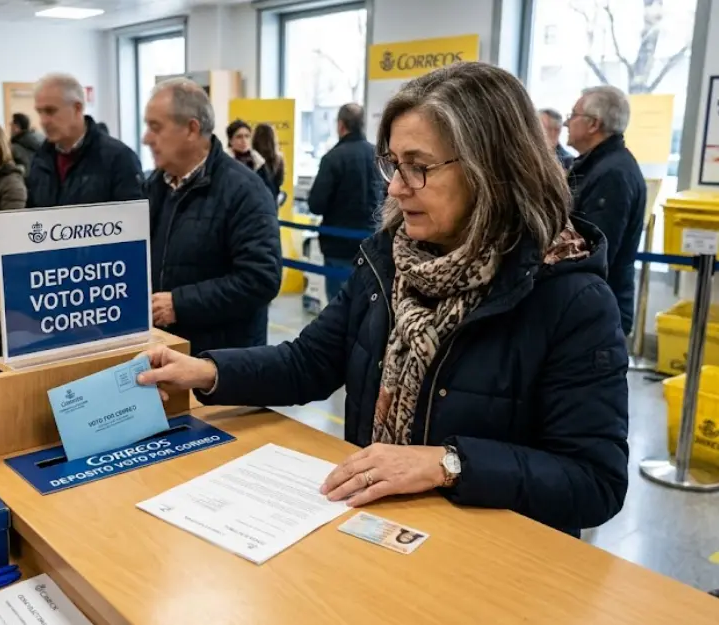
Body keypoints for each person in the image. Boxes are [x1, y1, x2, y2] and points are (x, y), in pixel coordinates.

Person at [136, 63, 629, 537]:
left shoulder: (571, 298)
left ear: (492, 169)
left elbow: (594, 481)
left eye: (418, 167)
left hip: (493, 561)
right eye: (393, 163)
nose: (395, 186)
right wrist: (207, 371)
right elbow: (309, 362)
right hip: (380, 534)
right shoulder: (390, 262)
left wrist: (448, 463)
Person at [142, 78, 282, 356]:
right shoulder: (154, 187)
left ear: (191, 129)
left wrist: (179, 304)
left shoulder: (245, 191)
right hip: (165, 351)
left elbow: (261, 278)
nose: (146, 138)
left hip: (221, 362)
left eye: (156, 127)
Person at [565, 86, 646, 335]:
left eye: (573, 115)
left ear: (593, 124)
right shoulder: (596, 166)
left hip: (597, 314)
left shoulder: (612, 174)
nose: (567, 122)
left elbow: (596, 252)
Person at [26, 73, 144, 207]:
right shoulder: (41, 159)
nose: (43, 121)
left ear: (77, 108)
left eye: (50, 111)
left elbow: (133, 216)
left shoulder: (118, 158)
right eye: (40, 112)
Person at [308, 103, 384, 302]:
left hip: (338, 247)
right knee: (369, 306)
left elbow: (316, 205)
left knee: (339, 307)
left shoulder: (332, 159)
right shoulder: (378, 157)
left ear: (341, 125)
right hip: (373, 244)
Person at [226, 119, 275, 194]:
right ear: (230, 140)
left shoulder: (258, 162)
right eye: (239, 137)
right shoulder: (223, 163)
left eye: (247, 136)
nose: (244, 140)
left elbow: (269, 190)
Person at [252, 123, 284, 200]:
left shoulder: (251, 157)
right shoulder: (278, 159)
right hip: (271, 200)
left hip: (254, 200)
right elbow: (279, 182)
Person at [9, 113, 43, 177]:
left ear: (17, 127)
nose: (10, 127)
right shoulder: (39, 140)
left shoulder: (15, 147)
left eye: (11, 124)